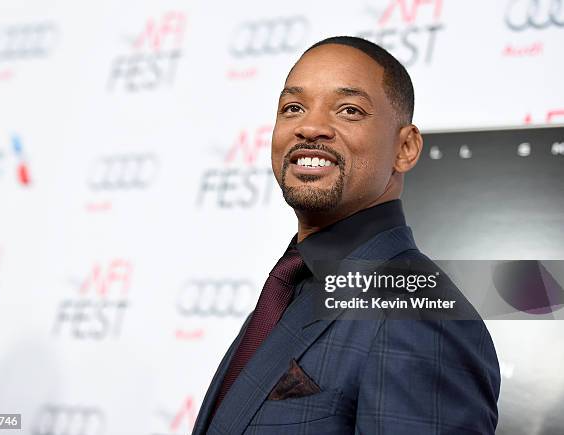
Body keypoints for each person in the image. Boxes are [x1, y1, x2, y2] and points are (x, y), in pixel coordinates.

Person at [192, 36, 500, 435]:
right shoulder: (291, 286)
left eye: (349, 110)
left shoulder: (418, 313)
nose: (310, 127)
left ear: (405, 148)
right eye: (293, 107)